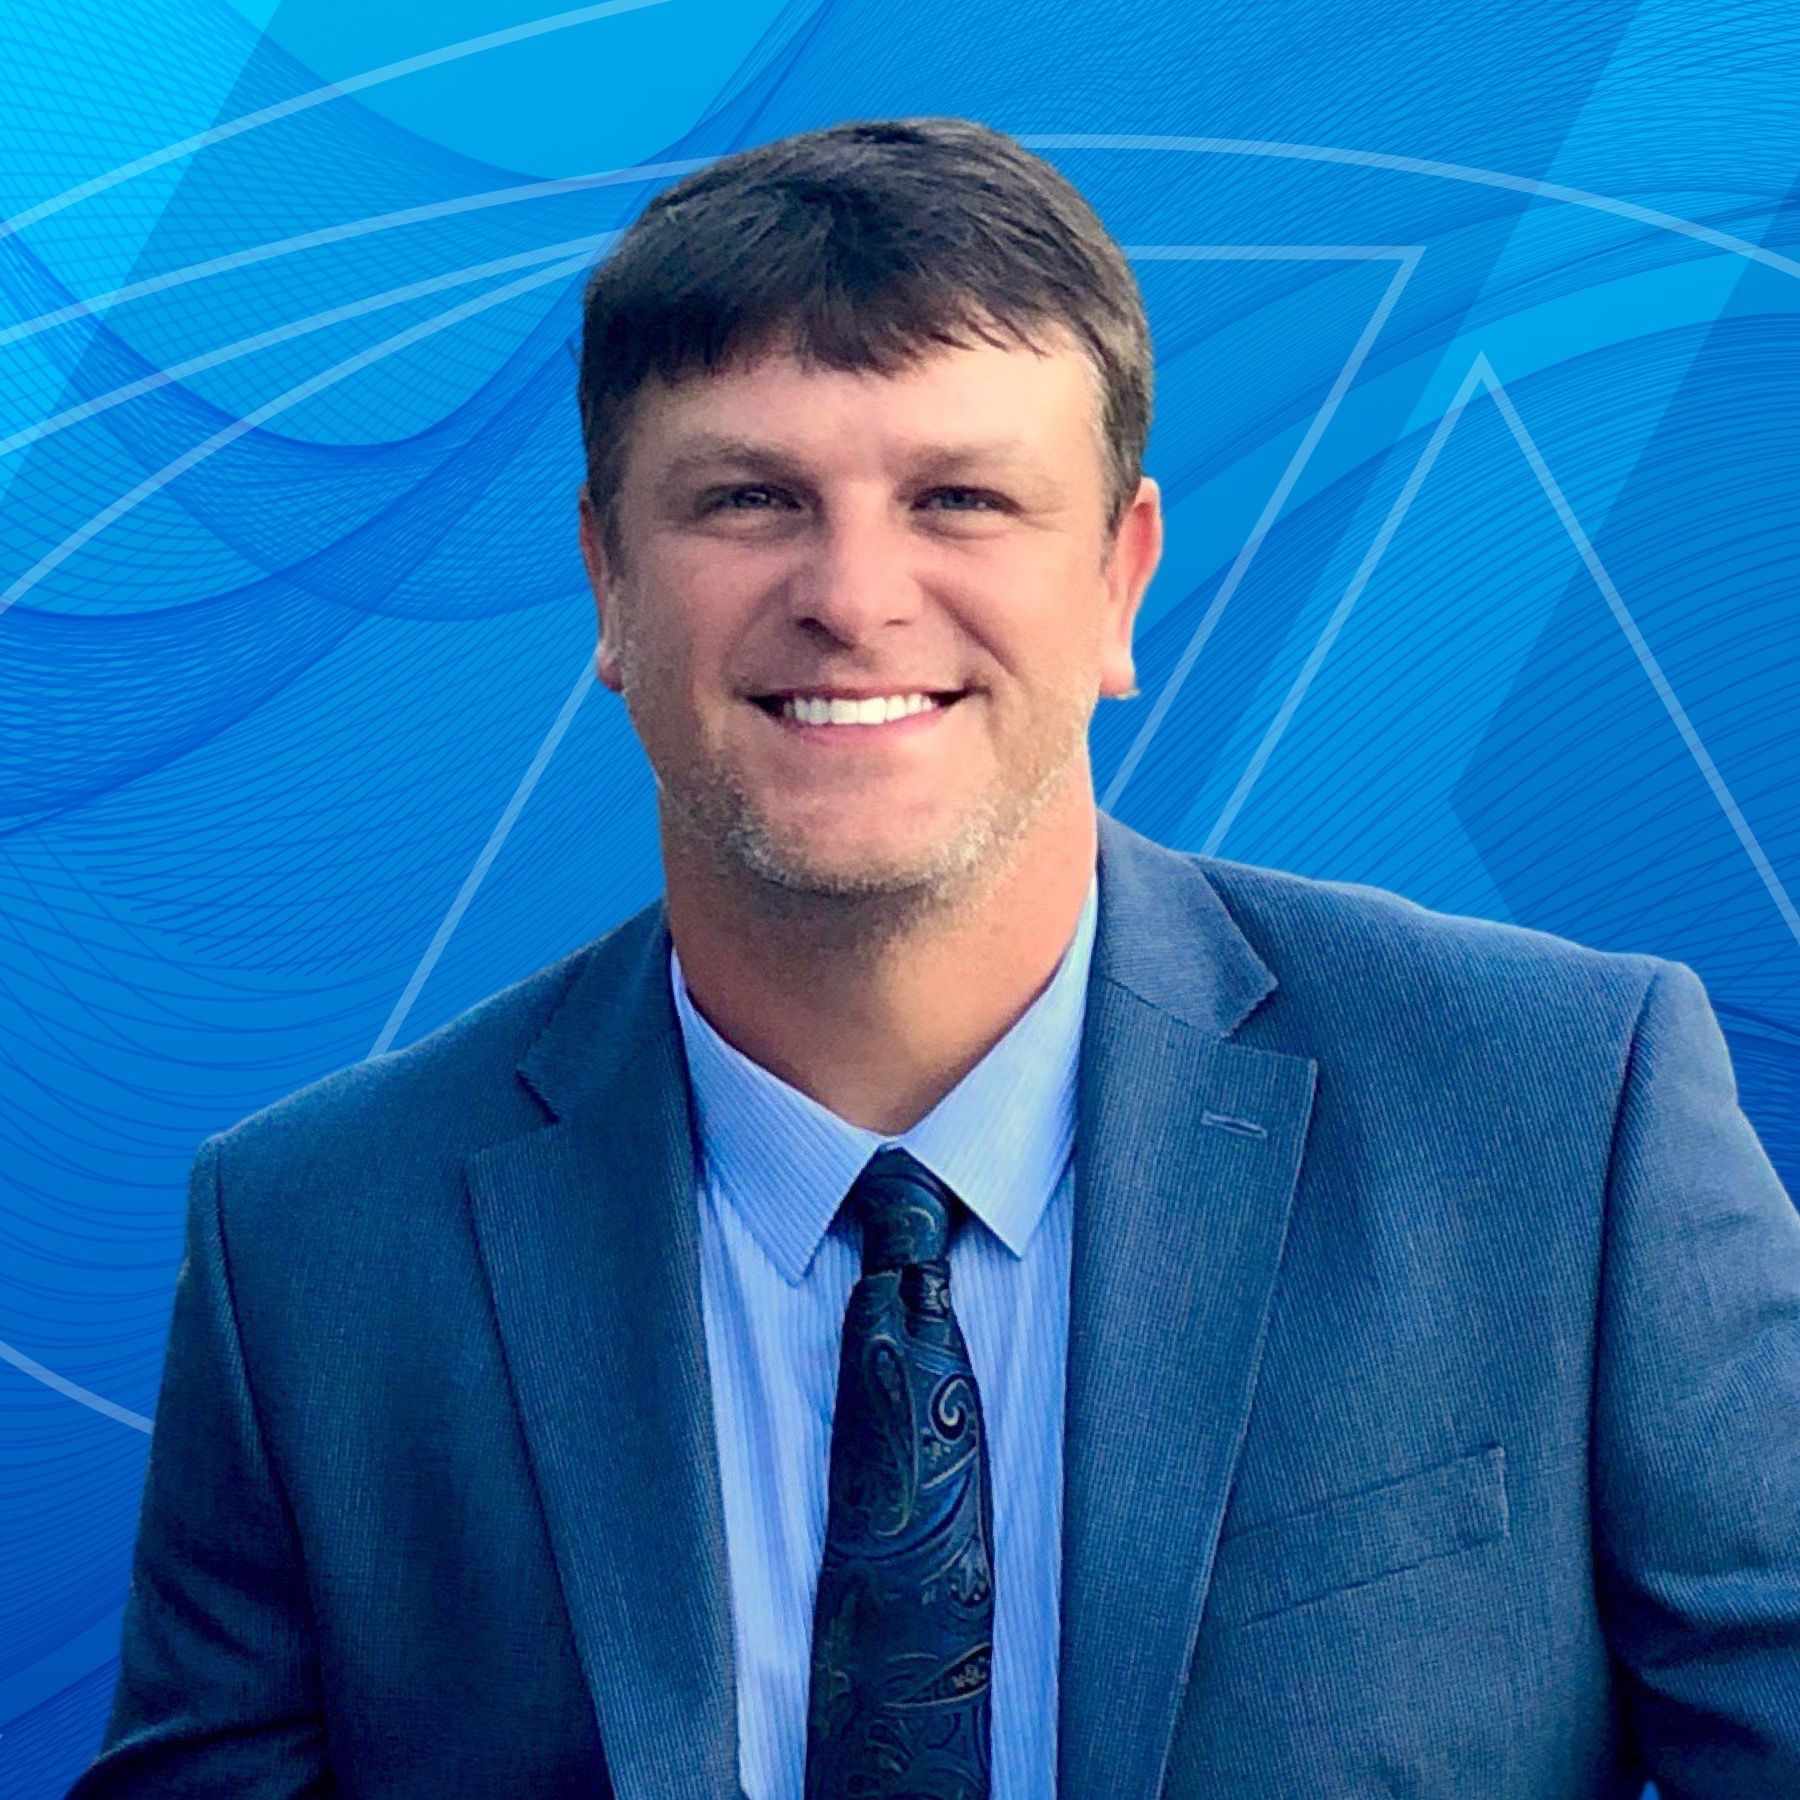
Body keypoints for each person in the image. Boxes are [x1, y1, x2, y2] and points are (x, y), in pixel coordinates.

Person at [72, 116, 1799, 1800]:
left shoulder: (1567, 1122)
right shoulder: (313, 1247)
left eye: (961, 497)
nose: (856, 594)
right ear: (607, 579)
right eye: (750, 499)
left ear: (1121, 579)